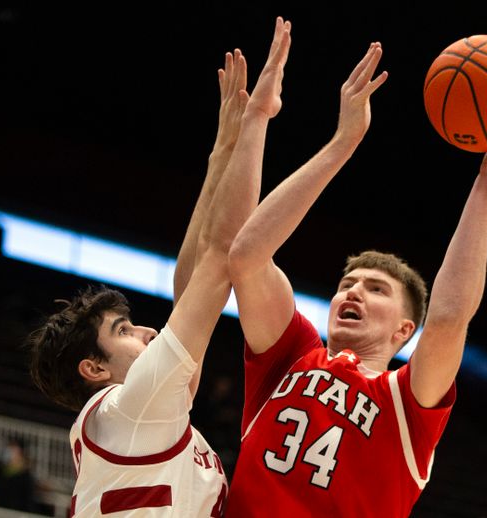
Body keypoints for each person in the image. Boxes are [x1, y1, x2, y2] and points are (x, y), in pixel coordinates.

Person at [223, 39, 487, 517]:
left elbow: (449, 318)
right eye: (347, 284)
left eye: (376, 289)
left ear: (403, 331)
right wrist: (342, 144)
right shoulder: (291, 355)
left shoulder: (407, 404)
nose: (352, 290)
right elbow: (248, 256)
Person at [26, 16, 291, 517]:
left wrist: (222, 154)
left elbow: (191, 286)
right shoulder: (136, 407)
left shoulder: (134, 415)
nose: (147, 332)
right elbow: (221, 257)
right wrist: (257, 120)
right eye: (122, 330)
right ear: (94, 368)